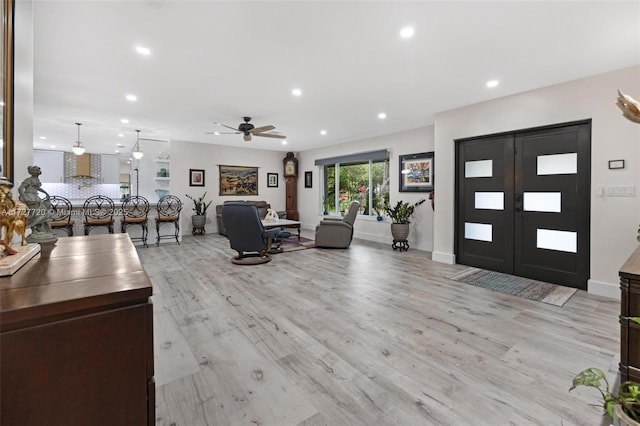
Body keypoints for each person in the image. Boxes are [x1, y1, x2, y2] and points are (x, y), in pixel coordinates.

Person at [18, 165, 54, 235]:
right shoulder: (29, 179)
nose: (38, 171)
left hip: (35, 197)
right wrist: (25, 198)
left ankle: (41, 230)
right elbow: (20, 188)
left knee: (41, 213)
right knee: (35, 214)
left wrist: (46, 193)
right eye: (37, 170)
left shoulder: (36, 179)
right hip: (30, 197)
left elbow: (37, 188)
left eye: (38, 170)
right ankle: (34, 230)